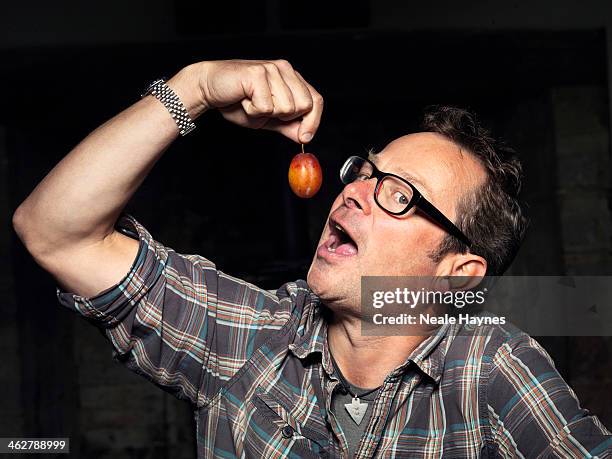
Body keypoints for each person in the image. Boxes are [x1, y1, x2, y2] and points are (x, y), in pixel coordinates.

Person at [13, 59, 611, 458]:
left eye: (399, 194)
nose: (351, 191)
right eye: (365, 171)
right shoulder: (251, 340)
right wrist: (189, 90)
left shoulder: (490, 370)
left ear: (455, 274)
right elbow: (56, 233)